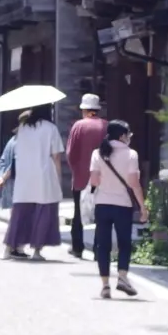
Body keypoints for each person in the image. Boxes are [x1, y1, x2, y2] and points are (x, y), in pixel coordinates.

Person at [87, 119, 145, 300]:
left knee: (102, 245)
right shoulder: (131, 154)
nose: (130, 138)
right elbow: (134, 184)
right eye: (129, 135)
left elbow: (94, 181)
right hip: (123, 205)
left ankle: (105, 285)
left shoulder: (98, 153)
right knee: (124, 243)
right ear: (122, 136)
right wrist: (143, 208)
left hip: (102, 204)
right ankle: (122, 277)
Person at [0, 107, 66, 259]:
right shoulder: (51, 129)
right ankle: (37, 251)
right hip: (44, 176)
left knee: (20, 214)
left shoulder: (22, 129)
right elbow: (56, 157)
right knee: (42, 213)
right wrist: (59, 179)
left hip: (24, 176)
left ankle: (8, 249)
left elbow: (17, 154)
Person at [64, 94, 107, 259]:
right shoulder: (106, 126)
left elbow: (70, 153)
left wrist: (76, 169)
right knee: (101, 214)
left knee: (78, 213)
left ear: (84, 110)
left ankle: (77, 247)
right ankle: (99, 249)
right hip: (103, 177)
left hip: (81, 177)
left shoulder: (78, 126)